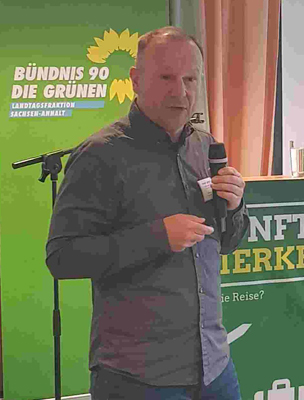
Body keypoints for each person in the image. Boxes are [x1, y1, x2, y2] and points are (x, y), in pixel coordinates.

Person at [45, 26, 249, 400]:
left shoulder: (206, 148)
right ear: (136, 81)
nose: (181, 91)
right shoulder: (99, 156)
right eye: (166, 77)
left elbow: (228, 241)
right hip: (138, 377)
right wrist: (156, 237)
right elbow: (62, 258)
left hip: (215, 367)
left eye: (190, 78)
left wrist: (235, 208)